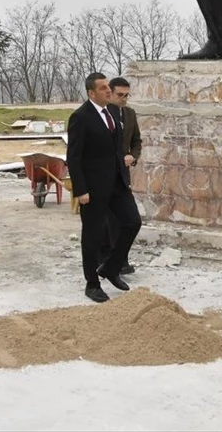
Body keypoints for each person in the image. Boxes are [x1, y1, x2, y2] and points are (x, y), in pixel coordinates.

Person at [66, 72, 140, 303]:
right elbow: (74, 156)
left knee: (132, 222)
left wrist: (124, 178)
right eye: (103, 88)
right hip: (93, 188)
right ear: (91, 93)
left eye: (108, 87)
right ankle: (92, 283)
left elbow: (118, 150)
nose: (109, 91)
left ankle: (111, 267)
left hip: (117, 184)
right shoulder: (81, 117)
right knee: (92, 236)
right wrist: (80, 190)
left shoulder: (112, 113)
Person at [98, 77, 141, 275]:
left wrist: (133, 156)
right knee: (107, 222)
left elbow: (136, 141)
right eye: (119, 95)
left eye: (126, 95)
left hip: (123, 176)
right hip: (104, 176)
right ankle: (106, 261)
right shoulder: (102, 114)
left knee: (127, 221)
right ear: (110, 93)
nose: (123, 99)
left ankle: (119, 260)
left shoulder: (130, 114)